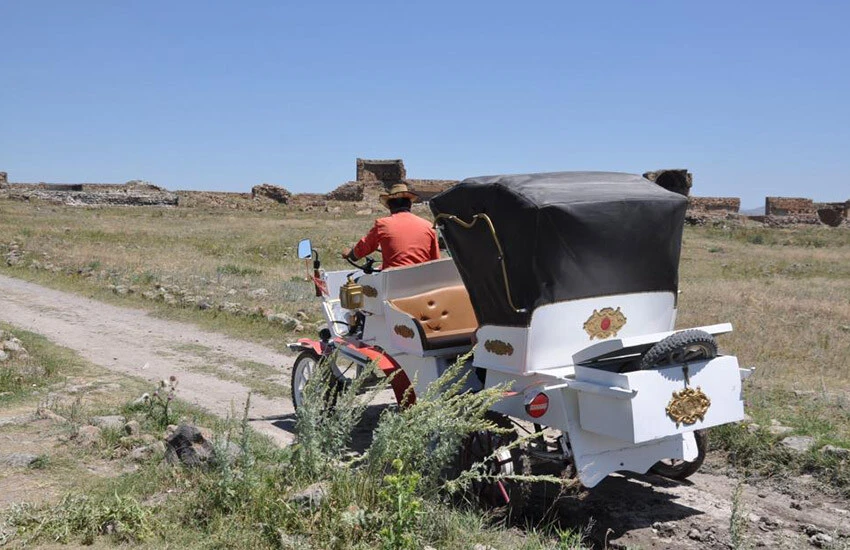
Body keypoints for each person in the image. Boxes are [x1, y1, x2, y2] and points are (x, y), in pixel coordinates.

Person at [342, 182, 440, 269]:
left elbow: (365, 246)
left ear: (390, 206)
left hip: (394, 279)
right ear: (409, 205)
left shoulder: (383, 225)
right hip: (422, 279)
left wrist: (352, 254)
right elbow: (435, 261)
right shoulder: (428, 226)